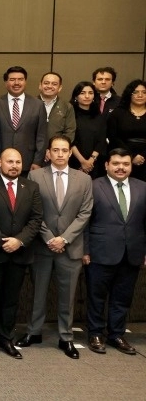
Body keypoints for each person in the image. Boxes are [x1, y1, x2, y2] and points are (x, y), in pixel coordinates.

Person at [18, 135, 92, 359]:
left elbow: (85, 213)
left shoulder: (84, 179)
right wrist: (50, 237)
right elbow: (31, 210)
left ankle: (66, 337)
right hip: (42, 245)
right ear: (48, 153)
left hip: (71, 247)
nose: (60, 154)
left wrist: (64, 239)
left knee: (67, 296)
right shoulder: (35, 175)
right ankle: (34, 331)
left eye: (64, 150)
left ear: (70, 153)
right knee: (38, 293)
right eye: (55, 150)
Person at [0, 148, 42, 359]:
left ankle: (6, 337)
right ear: (0, 163)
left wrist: (19, 241)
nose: (14, 165)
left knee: (12, 299)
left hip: (20, 252)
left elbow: (36, 219)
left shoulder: (31, 187)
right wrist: (2, 241)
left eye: (18, 161)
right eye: (9, 161)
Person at [83, 148, 146, 356]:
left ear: (131, 166)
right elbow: (84, 221)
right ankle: (95, 333)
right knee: (96, 296)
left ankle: (116, 334)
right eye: (116, 163)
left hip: (132, 253)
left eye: (126, 164)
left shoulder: (142, 187)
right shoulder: (93, 186)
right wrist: (85, 249)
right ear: (107, 165)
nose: (121, 167)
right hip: (100, 252)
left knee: (123, 297)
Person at [0, 66, 47, 174]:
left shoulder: (37, 105)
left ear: (25, 81)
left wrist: (37, 161)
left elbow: (41, 136)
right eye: (12, 79)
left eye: (20, 79)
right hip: (0, 162)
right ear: (6, 82)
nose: (17, 83)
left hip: (28, 162)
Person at [106, 79, 146, 181]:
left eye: (144, 92)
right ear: (129, 94)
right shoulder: (118, 113)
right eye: (136, 92)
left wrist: (143, 156)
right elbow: (113, 137)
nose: (140, 95)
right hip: (122, 157)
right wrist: (131, 156)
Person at [70, 81, 107, 178]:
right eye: (82, 93)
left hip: (95, 163)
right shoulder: (70, 114)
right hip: (73, 160)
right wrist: (82, 161)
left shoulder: (98, 115)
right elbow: (69, 139)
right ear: (76, 96)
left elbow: (101, 139)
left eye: (90, 93)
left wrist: (91, 160)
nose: (87, 96)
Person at [38, 72, 76, 154]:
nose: (49, 86)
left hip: (57, 153)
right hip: (33, 152)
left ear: (60, 88)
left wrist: (55, 150)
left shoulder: (67, 106)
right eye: (46, 83)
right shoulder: (30, 104)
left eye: (54, 84)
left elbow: (70, 132)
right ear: (40, 85)